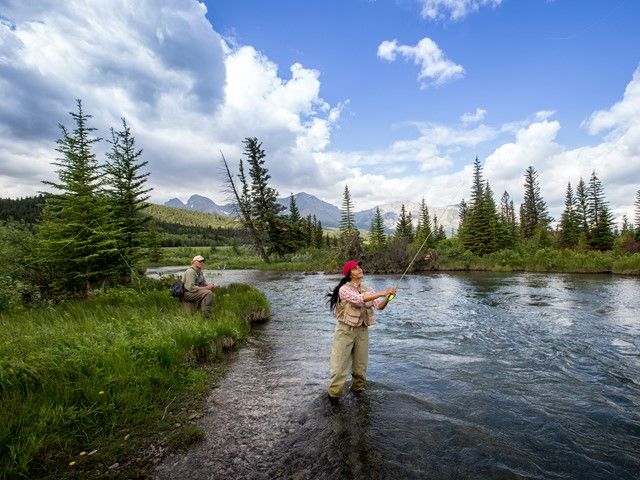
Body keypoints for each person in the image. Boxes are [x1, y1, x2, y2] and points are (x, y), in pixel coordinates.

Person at [326, 260, 396, 402]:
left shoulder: (367, 289)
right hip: (345, 331)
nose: (359, 269)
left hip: (362, 331)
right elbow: (358, 300)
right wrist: (383, 291)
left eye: (359, 267)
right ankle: (333, 398)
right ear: (349, 274)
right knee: (339, 369)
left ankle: (358, 394)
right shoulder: (344, 289)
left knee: (360, 369)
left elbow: (379, 306)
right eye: (355, 268)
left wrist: (388, 298)